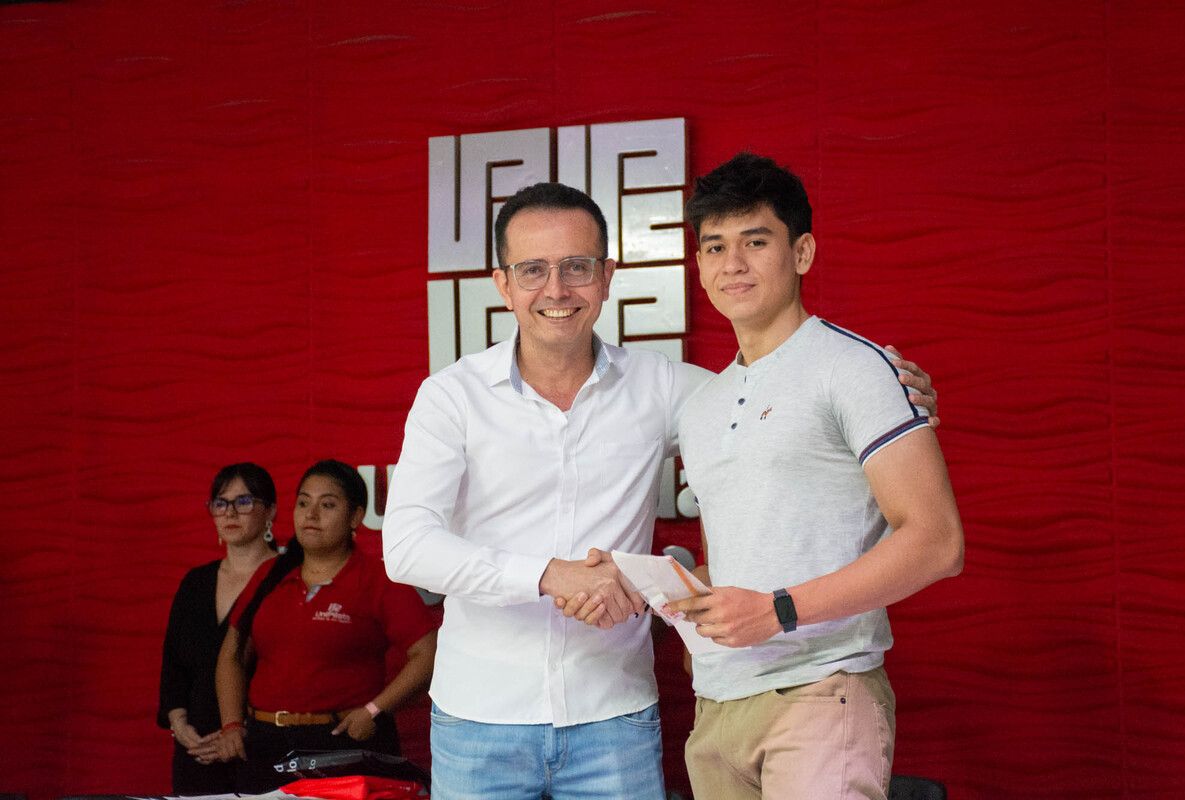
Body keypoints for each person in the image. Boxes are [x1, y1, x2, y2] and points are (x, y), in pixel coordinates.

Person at [382, 182, 940, 799]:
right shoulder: (451, 396)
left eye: (577, 267)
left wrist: (894, 390)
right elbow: (407, 546)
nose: (557, 289)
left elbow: (776, 397)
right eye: (533, 270)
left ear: (607, 275)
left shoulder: (667, 387)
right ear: (503, 284)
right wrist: (549, 574)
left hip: (614, 715)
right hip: (477, 716)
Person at [666, 152, 965, 800]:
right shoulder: (701, 406)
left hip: (823, 692)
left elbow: (938, 542)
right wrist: (693, 597)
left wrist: (779, 611)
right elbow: (747, 551)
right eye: (714, 246)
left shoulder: (855, 368)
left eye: (755, 240)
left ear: (801, 253)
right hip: (716, 709)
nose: (732, 263)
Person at [213, 459, 438, 792]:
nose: (311, 514)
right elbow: (231, 653)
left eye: (327, 505)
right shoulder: (270, 575)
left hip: (342, 743)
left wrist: (374, 710)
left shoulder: (378, 580)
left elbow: (427, 653)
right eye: (304, 502)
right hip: (264, 744)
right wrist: (232, 725)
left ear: (356, 517)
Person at [157, 462, 278, 794]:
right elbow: (174, 667)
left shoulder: (288, 578)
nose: (230, 513)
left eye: (244, 502)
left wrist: (237, 731)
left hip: (263, 747)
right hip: (197, 750)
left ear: (270, 510)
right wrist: (179, 726)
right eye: (221, 503)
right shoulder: (196, 582)